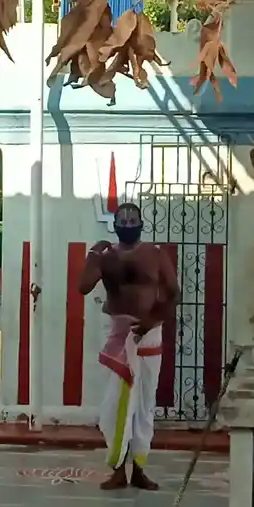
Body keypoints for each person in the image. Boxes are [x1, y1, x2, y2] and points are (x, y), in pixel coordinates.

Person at [74, 201, 178, 491]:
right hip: (119, 336)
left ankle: (140, 468)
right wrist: (94, 253)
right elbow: (83, 286)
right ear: (115, 224)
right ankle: (118, 468)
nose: (129, 224)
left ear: (141, 224)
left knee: (144, 405)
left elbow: (173, 294)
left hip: (150, 335)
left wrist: (151, 321)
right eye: (124, 219)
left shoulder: (156, 255)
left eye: (134, 219)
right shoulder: (107, 258)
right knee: (114, 407)